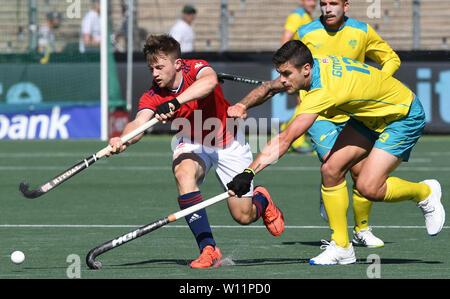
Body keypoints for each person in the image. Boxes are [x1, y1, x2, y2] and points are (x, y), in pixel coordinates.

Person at [227, 40, 445, 265]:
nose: (282, 79)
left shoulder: (322, 91)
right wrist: (243, 105)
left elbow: (286, 139)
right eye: (280, 73)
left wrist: (249, 173)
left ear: (306, 69)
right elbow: (271, 87)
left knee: (369, 187)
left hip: (402, 115)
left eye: (286, 74)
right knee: (331, 170)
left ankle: (425, 193)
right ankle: (341, 246)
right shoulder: (314, 66)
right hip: (369, 117)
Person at [230, 0, 401, 249]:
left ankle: (362, 229)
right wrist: (246, 104)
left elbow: (391, 59)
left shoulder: (363, 32)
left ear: (347, 5)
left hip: (355, 112)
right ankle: (339, 240)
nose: (327, 9)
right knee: (334, 168)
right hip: (319, 114)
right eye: (323, 3)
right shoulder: (307, 32)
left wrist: (378, 84)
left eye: (334, 3)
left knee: (360, 173)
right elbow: (287, 70)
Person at [105, 34, 284, 269]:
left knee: (243, 216)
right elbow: (139, 123)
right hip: (191, 140)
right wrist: (123, 140)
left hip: (228, 142)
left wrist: (175, 102)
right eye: (151, 69)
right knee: (183, 173)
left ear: (177, 64)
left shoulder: (196, 68)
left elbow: (209, 82)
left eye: (160, 67)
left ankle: (262, 199)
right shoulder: (153, 93)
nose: (155, 74)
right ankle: (209, 249)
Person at [279, 0, 317, 154]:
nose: (313, 3)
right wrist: (287, 67)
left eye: (315, 0)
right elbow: (285, 40)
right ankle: (296, 140)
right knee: (306, 102)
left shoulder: (307, 17)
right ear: (301, 1)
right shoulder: (297, 16)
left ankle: (284, 131)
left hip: (304, 66)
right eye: (309, 0)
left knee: (303, 102)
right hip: (297, 68)